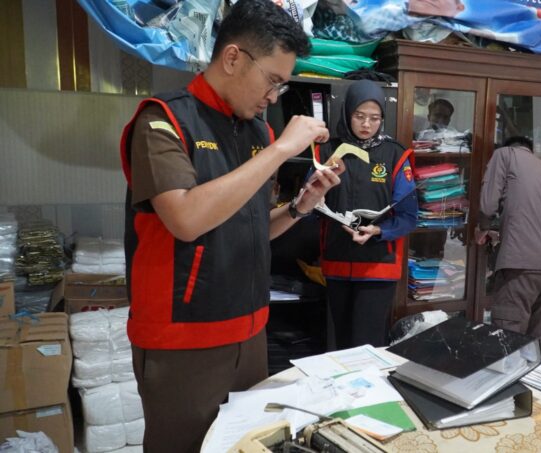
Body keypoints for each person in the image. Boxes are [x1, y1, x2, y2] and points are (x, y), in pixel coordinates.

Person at [120, 1, 343, 451]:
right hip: (183, 339)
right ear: (233, 57)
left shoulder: (257, 132)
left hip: (250, 331)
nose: (274, 97)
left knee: (246, 445)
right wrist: (281, 151)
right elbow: (186, 219)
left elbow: (249, 228)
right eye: (273, 81)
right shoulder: (163, 120)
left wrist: (299, 208)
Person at [317, 79, 418, 349]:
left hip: (378, 266)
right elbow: (306, 200)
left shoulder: (394, 154)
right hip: (336, 261)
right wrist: (316, 191)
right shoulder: (327, 150)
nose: (366, 124)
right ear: (347, 113)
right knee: (341, 343)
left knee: (367, 344)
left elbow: (409, 216)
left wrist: (378, 230)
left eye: (374, 118)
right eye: (359, 116)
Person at [475, 136, 541, 349]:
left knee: (507, 340)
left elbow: (488, 205)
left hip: (520, 265)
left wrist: (483, 227)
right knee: (532, 345)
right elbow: (531, 216)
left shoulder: (504, 155)